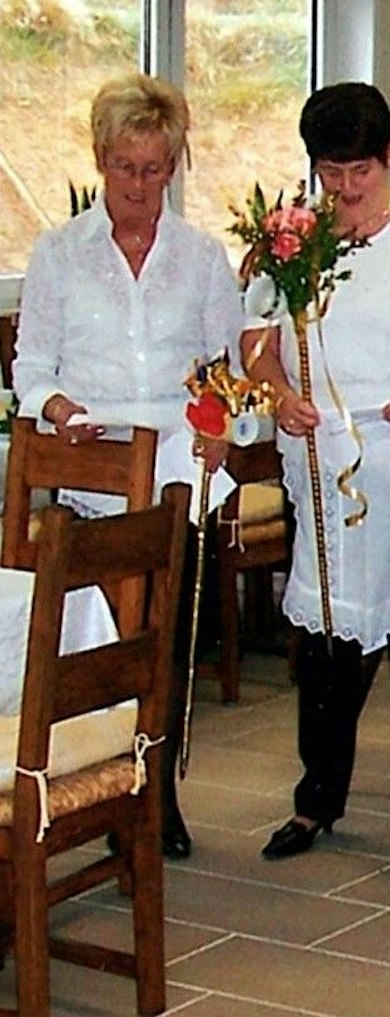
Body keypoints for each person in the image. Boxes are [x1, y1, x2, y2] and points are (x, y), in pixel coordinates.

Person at [12, 72, 239, 861]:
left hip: (176, 466)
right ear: (100, 160)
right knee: (98, 643)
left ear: (173, 166)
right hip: (95, 467)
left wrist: (222, 421)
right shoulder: (60, 253)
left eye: (154, 169)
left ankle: (155, 795)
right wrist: (55, 407)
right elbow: (31, 366)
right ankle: (98, 787)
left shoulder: (203, 255)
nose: (139, 185)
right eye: (125, 167)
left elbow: (223, 365)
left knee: (164, 640)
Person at [247, 83, 390, 868]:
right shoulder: (292, 236)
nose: (343, 189)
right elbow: (255, 338)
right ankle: (318, 798)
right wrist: (279, 395)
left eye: (359, 173)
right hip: (325, 460)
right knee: (328, 637)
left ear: (388, 158)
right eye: (330, 173)